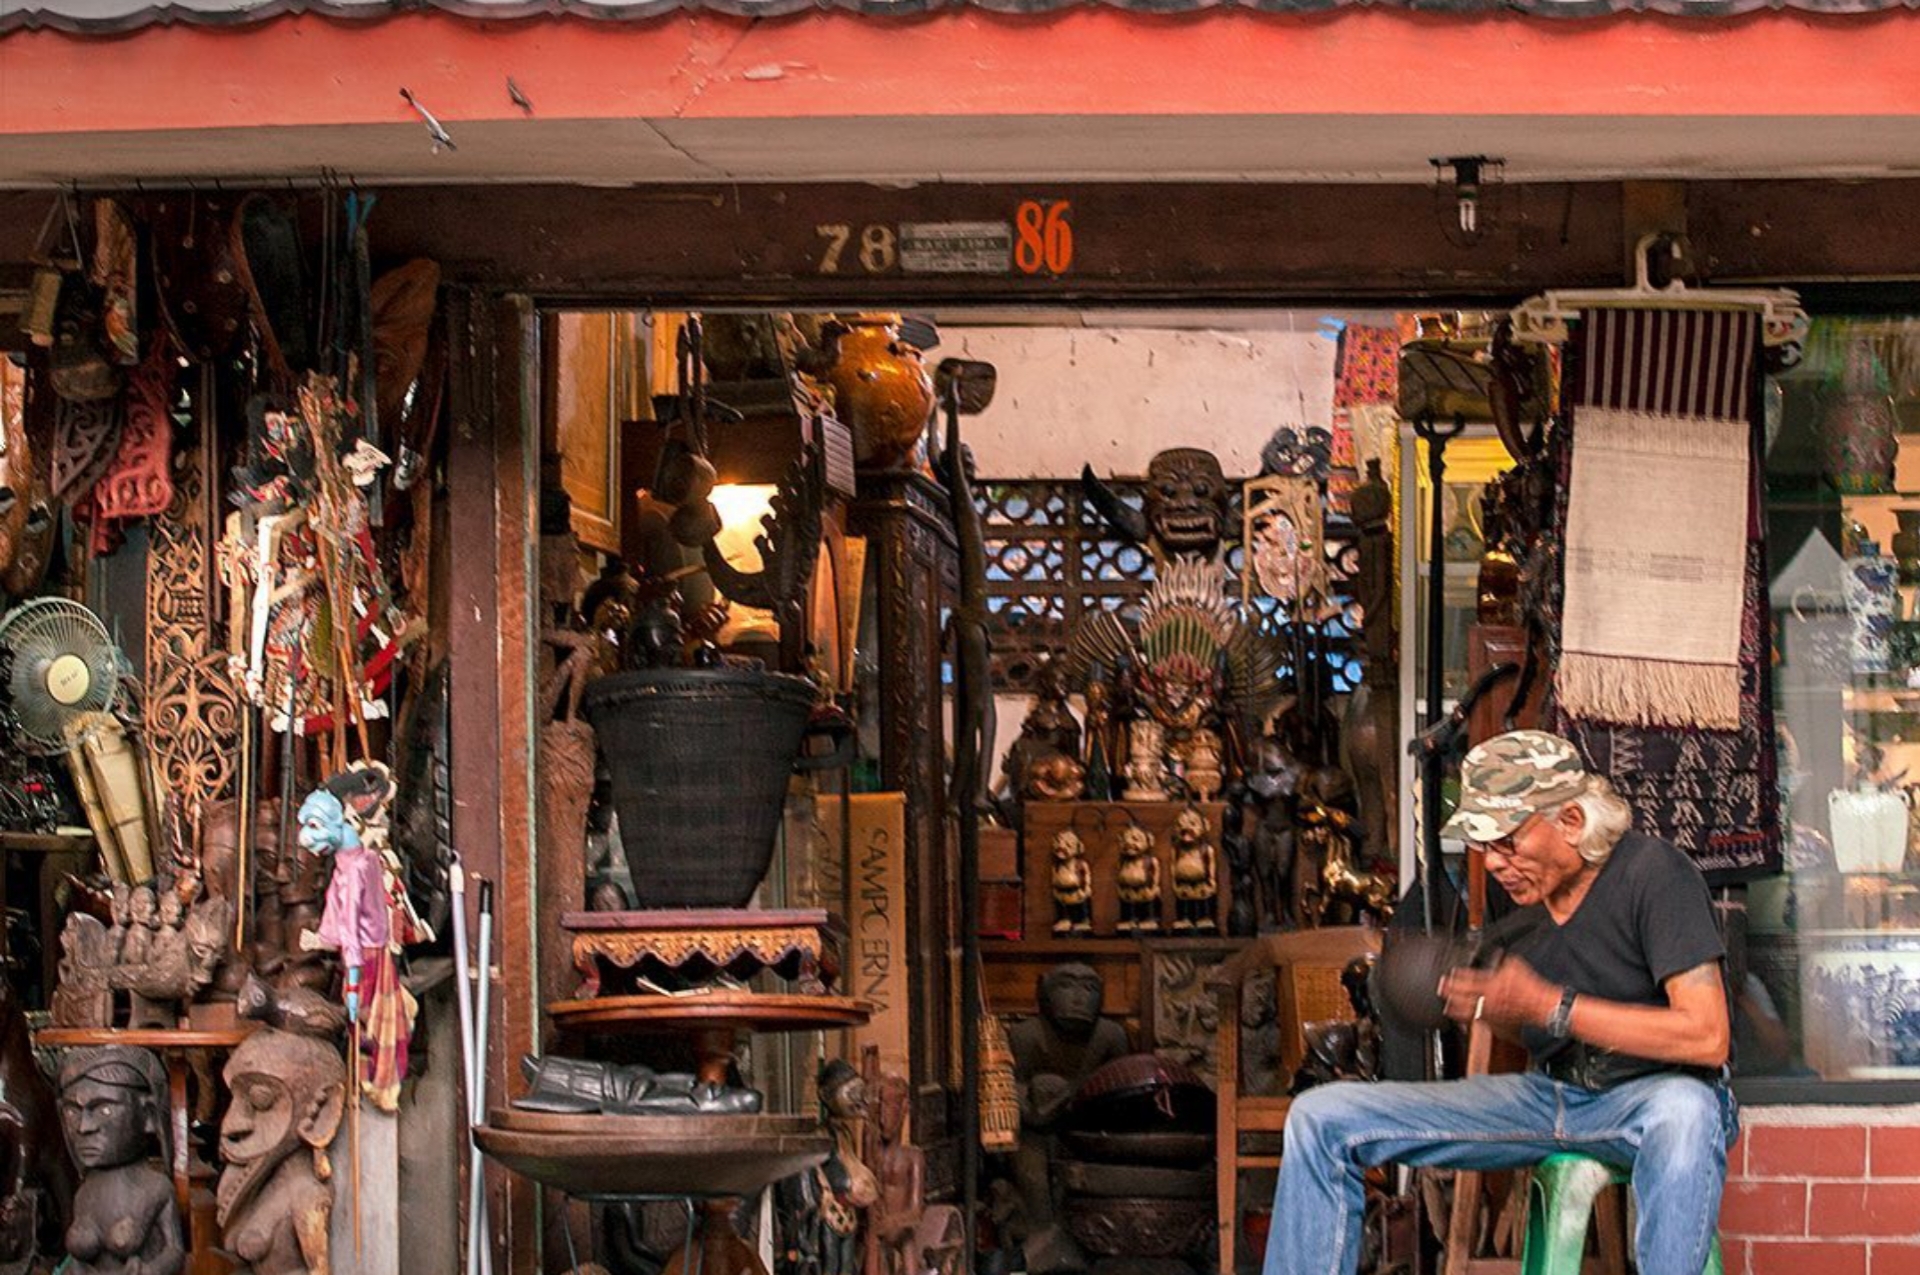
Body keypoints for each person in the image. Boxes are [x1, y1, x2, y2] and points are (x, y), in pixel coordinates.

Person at [1264, 730, 1736, 1275]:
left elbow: (1707, 1036)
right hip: (1551, 1096)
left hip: (1651, 1098)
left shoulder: (1652, 874)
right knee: (1320, 1116)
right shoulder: (1517, 913)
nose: (1491, 862)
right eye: (1483, 845)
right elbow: (1531, 1025)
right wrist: (1495, 1010)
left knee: (1686, 1111)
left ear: (1571, 822)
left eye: (1506, 840)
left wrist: (1550, 1005)